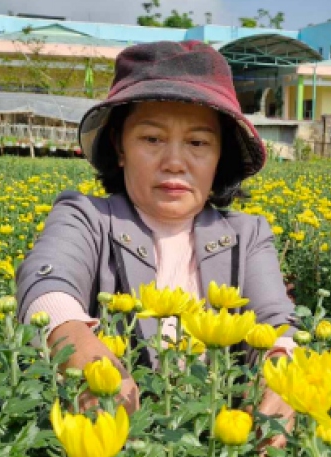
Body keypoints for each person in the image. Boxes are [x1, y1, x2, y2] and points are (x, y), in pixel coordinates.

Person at [15, 40, 298, 429]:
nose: (175, 162)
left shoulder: (247, 234)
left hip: (220, 443)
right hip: (114, 445)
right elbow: (46, 283)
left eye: (198, 143)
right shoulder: (86, 217)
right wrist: (87, 358)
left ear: (220, 156)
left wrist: (280, 377)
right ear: (119, 146)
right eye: (152, 139)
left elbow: (276, 323)